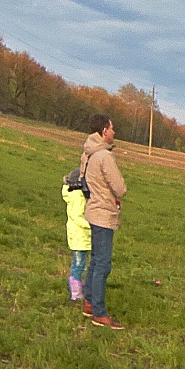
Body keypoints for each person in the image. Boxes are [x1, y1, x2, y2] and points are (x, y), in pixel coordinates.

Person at [79, 113, 128, 329]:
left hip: (92, 210)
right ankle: (99, 312)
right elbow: (120, 188)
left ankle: (88, 301)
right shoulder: (105, 157)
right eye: (112, 128)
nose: (114, 132)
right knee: (103, 264)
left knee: (96, 259)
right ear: (104, 131)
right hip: (103, 214)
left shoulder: (88, 153)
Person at [62, 172, 90, 301]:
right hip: (80, 236)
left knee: (78, 263)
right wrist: (92, 226)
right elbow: (78, 217)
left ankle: (77, 285)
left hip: (77, 235)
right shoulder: (78, 197)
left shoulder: (72, 194)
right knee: (79, 264)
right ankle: (76, 292)